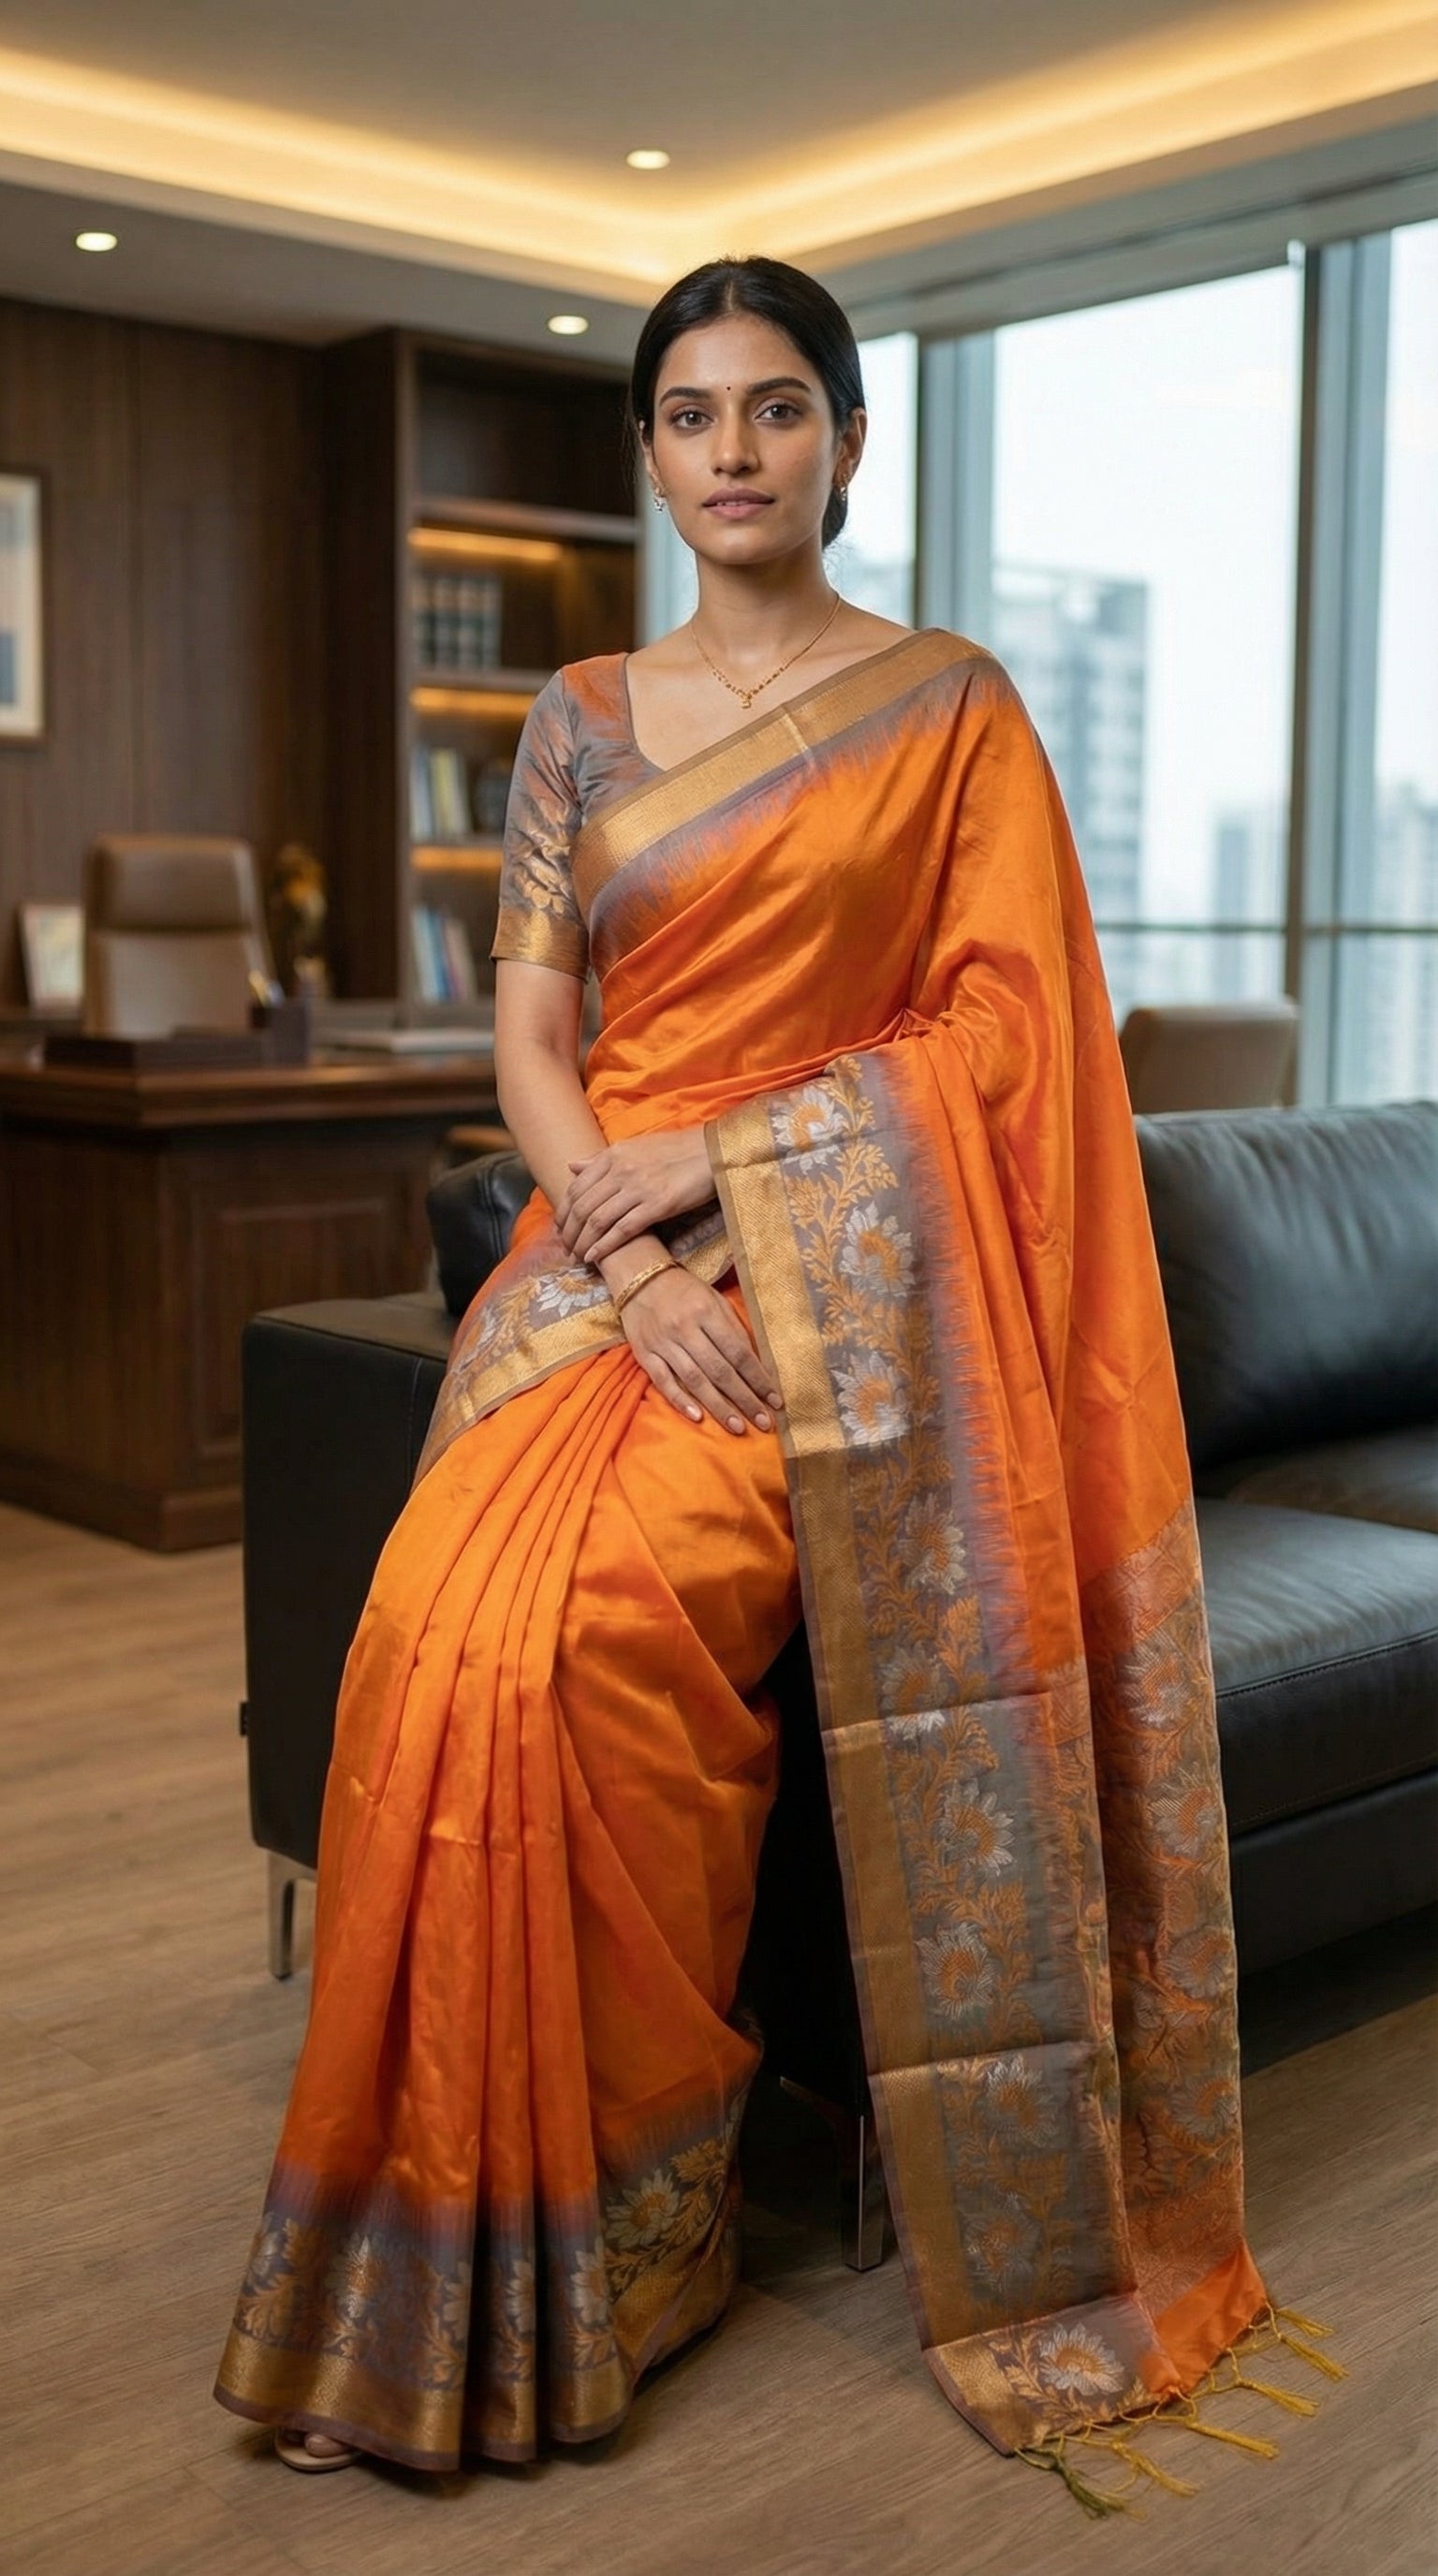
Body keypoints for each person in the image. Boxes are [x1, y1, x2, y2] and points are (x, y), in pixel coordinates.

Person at [214, 256, 1300, 2510]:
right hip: (593, 1255)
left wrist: (745, 1176)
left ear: (847, 444)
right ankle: (435, 2240)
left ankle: (632, 2224)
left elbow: (1012, 1043)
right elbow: (530, 1030)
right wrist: (623, 1230)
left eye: (779, 408)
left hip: (845, 1285)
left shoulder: (950, 708)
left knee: (598, 1642)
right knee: (432, 1630)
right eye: (693, 412)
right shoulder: (583, 720)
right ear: (648, 450)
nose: (734, 450)